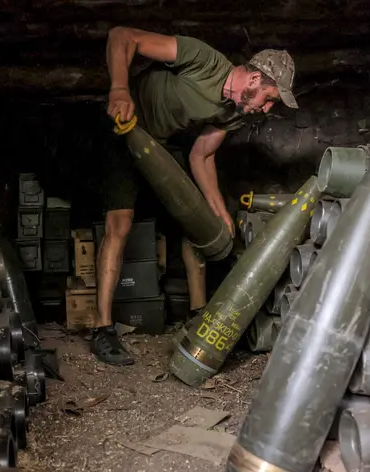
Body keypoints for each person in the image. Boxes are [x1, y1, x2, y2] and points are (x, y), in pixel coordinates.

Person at [91, 26, 299, 366]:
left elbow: (201, 155)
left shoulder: (234, 114)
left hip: (160, 144)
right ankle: (102, 329)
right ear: (254, 81)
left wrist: (217, 209)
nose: (266, 109)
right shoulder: (203, 60)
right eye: (271, 98)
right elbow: (121, 36)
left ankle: (198, 313)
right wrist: (119, 88)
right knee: (120, 224)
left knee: (197, 225)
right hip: (123, 128)